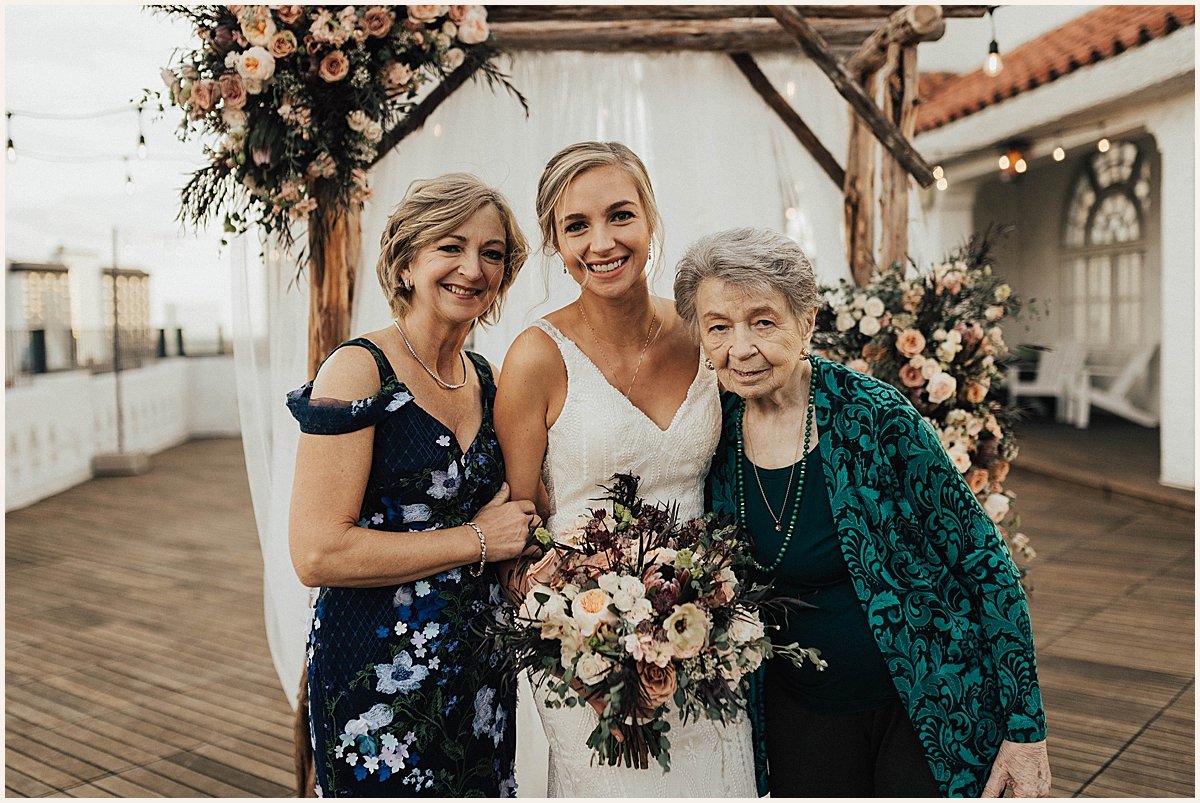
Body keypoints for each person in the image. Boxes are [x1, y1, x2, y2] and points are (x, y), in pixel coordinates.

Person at [672, 226, 1051, 797]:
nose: (740, 347)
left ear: (806, 322)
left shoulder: (875, 417)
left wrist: (1025, 730)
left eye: (763, 321)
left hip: (923, 703)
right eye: (718, 327)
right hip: (801, 715)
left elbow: (985, 563)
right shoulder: (713, 433)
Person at [494, 141, 757, 797]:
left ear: (650, 219)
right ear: (555, 240)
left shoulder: (703, 333)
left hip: (705, 633)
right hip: (584, 651)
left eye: (620, 215)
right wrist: (582, 645)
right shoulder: (535, 357)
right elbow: (516, 524)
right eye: (576, 225)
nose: (602, 242)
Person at [286, 173, 539, 797]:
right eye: (450, 247)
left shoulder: (490, 377)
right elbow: (317, 552)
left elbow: (516, 513)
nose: (472, 269)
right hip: (376, 680)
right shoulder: (358, 370)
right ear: (407, 258)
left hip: (479, 674)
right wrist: (477, 540)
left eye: (492, 253)